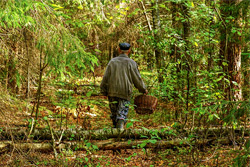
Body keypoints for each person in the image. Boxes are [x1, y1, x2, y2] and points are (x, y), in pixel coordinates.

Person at [100, 42, 148, 129]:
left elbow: (105, 77)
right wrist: (143, 89)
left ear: (119, 50)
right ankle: (119, 134)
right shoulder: (131, 63)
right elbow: (137, 79)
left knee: (114, 115)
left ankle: (116, 133)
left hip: (112, 92)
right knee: (121, 114)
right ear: (129, 51)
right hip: (125, 92)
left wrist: (103, 91)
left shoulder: (112, 62)